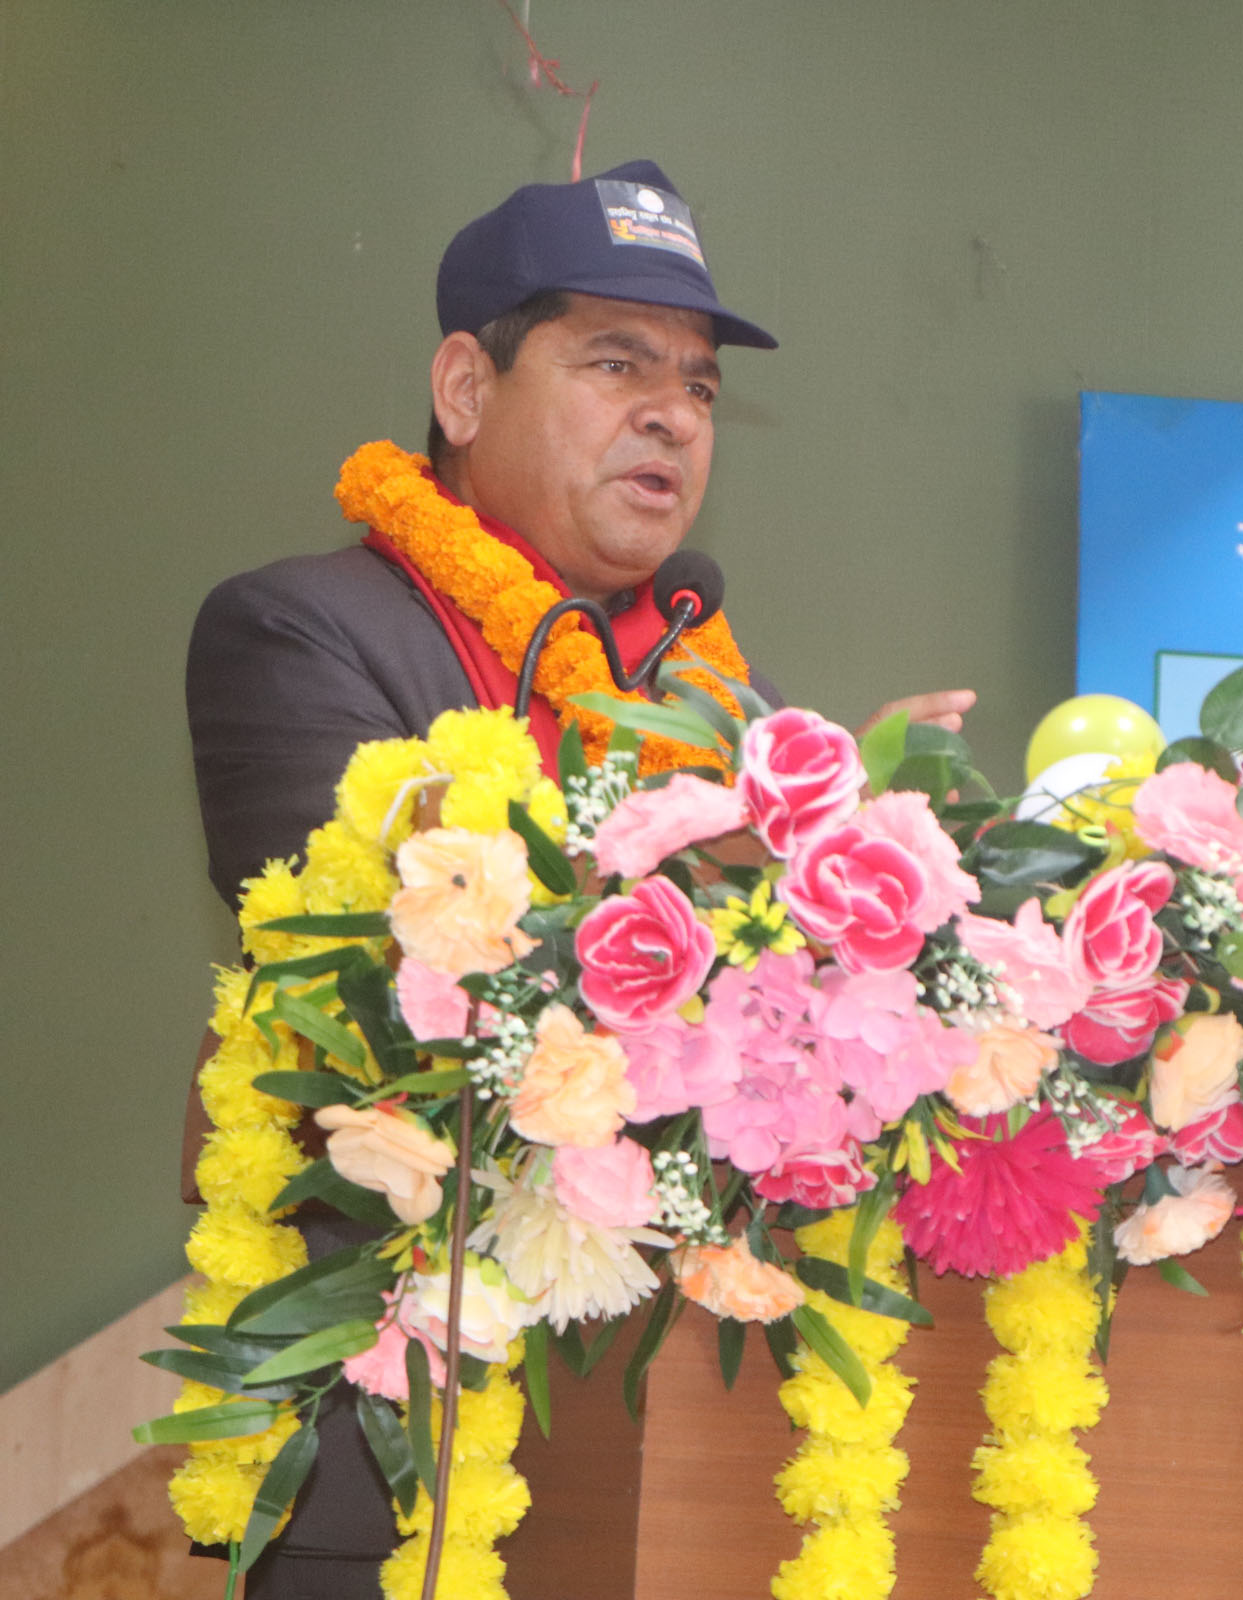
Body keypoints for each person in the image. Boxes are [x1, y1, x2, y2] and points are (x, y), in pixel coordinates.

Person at [184, 159, 971, 1596]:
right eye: (618, 363)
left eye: (699, 385)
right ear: (465, 388)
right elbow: (368, 966)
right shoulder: (301, 630)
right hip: (394, 1426)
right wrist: (707, 862)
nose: (675, 412)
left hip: (690, 1447)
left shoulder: (717, 707)